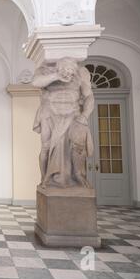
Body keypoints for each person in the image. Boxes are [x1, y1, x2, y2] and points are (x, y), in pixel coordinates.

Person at [32, 57, 95, 188]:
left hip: (73, 113)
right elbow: (36, 82)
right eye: (66, 71)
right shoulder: (45, 70)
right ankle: (45, 178)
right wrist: (56, 76)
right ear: (59, 68)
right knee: (46, 147)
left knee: (78, 146)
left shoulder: (81, 73)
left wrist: (84, 115)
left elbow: (89, 96)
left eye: (71, 71)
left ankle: (78, 174)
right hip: (50, 113)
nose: (69, 74)